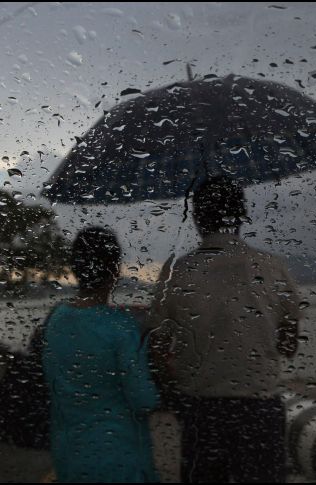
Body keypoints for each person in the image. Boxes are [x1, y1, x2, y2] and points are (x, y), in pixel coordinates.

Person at [148, 175, 302, 483]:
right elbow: (289, 345)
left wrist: (177, 389)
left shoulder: (177, 273)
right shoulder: (272, 267)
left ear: (196, 218)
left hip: (200, 412)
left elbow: (156, 347)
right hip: (260, 410)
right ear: (242, 215)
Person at [42, 227, 159, 482]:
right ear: (114, 271)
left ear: (75, 269)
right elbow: (144, 399)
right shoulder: (121, 326)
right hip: (118, 457)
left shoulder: (56, 321)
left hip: (68, 455)